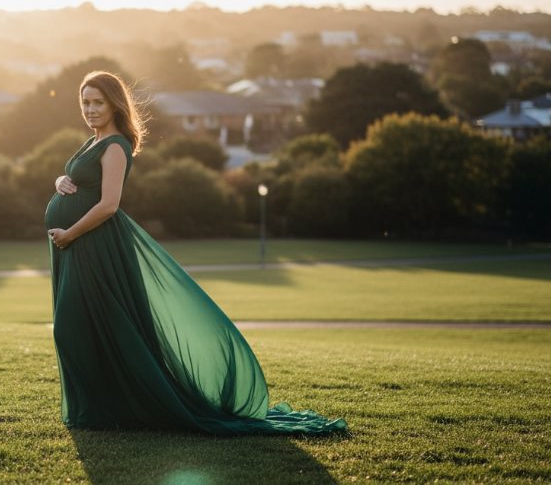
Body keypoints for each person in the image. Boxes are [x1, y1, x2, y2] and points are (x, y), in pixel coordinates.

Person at [44, 71, 347, 435]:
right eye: (85, 103)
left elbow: (109, 204)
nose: (90, 109)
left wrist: (70, 234)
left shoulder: (115, 146)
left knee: (74, 326)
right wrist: (60, 181)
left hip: (93, 247)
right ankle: (100, 410)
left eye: (98, 102)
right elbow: (76, 181)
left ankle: (110, 409)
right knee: (85, 327)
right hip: (75, 244)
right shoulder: (93, 141)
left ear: (114, 104)